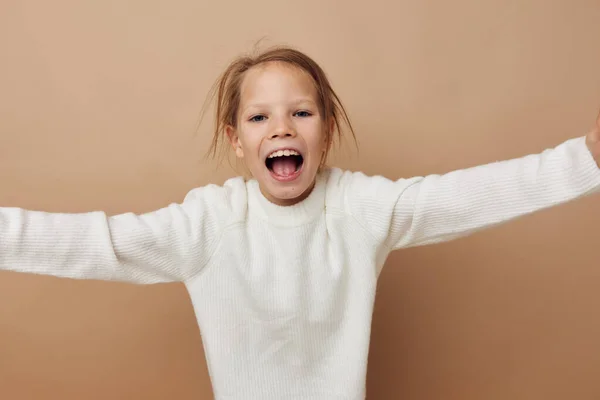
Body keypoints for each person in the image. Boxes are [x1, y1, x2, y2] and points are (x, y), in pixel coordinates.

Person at [1, 45, 599, 400]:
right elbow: (97, 241)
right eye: (260, 117)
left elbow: (466, 195)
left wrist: (585, 159)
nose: (282, 128)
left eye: (301, 112)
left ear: (326, 130)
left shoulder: (361, 208)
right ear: (237, 142)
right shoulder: (209, 223)